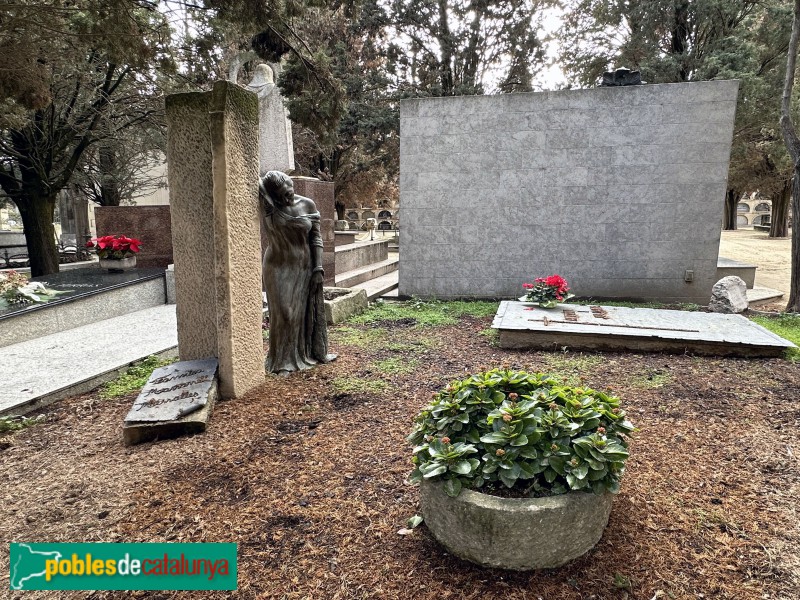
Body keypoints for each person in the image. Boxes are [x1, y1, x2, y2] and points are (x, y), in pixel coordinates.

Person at [259, 171, 334, 374]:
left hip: (304, 266)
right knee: (284, 313)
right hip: (276, 265)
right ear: (273, 195)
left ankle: (300, 356)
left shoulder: (307, 205)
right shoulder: (269, 204)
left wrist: (318, 267)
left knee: (301, 313)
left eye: (289, 193)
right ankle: (280, 361)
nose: (287, 199)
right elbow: (249, 175)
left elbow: (316, 238)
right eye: (282, 196)